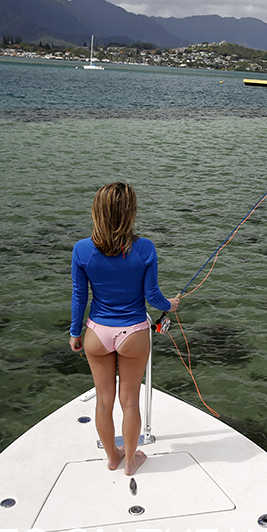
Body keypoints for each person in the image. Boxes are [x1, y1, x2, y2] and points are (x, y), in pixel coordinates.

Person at [69, 182, 180, 475]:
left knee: (103, 402)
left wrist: (74, 333)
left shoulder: (82, 250)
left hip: (97, 333)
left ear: (97, 212)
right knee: (130, 402)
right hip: (133, 334)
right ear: (131, 213)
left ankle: (112, 457)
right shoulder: (145, 248)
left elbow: (79, 297)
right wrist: (171, 304)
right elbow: (153, 297)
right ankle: (131, 460)